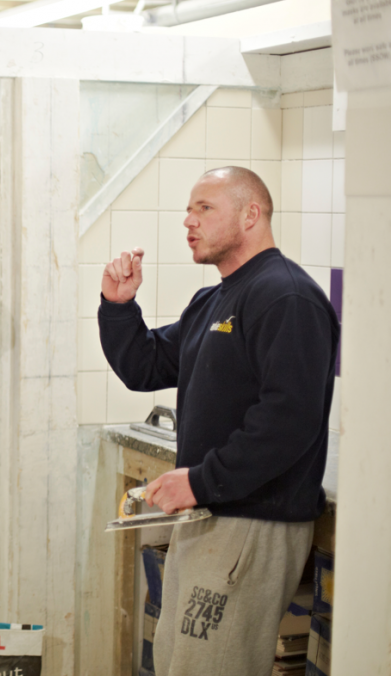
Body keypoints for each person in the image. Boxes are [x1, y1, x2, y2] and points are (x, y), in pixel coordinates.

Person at [98, 166, 339, 676]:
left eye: (204, 208)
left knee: (209, 665)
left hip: (252, 519)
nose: (188, 220)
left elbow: (288, 420)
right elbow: (146, 366)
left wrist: (201, 480)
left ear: (251, 214)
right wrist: (119, 307)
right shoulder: (216, 298)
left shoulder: (286, 297)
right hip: (210, 513)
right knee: (179, 662)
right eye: (189, 209)